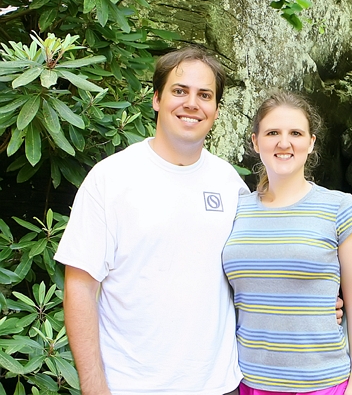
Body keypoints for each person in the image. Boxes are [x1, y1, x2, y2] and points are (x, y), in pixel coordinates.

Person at [55, 47, 249, 395]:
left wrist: (317, 300)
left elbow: (252, 272)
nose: (192, 103)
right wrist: (93, 385)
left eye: (204, 95)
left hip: (219, 385)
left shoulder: (229, 183)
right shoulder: (111, 179)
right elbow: (80, 287)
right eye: (180, 91)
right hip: (131, 385)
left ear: (216, 110)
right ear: (157, 99)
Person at [221, 91, 352, 395]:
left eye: (295, 133)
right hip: (252, 383)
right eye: (273, 133)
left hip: (324, 383)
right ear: (255, 142)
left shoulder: (339, 207)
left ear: (311, 142)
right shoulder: (235, 209)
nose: (284, 142)